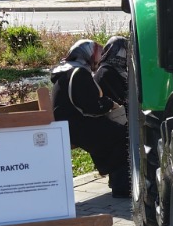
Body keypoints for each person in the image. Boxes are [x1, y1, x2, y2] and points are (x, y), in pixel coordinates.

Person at [51, 39, 130, 197]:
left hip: (69, 124)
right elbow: (92, 105)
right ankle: (121, 186)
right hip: (76, 126)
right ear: (87, 55)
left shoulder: (68, 70)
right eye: (96, 54)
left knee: (115, 132)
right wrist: (109, 104)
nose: (98, 59)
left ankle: (116, 179)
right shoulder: (79, 73)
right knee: (123, 135)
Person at [94, 35, 129, 125]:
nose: (121, 58)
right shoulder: (106, 73)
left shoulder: (106, 70)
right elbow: (121, 99)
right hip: (113, 122)